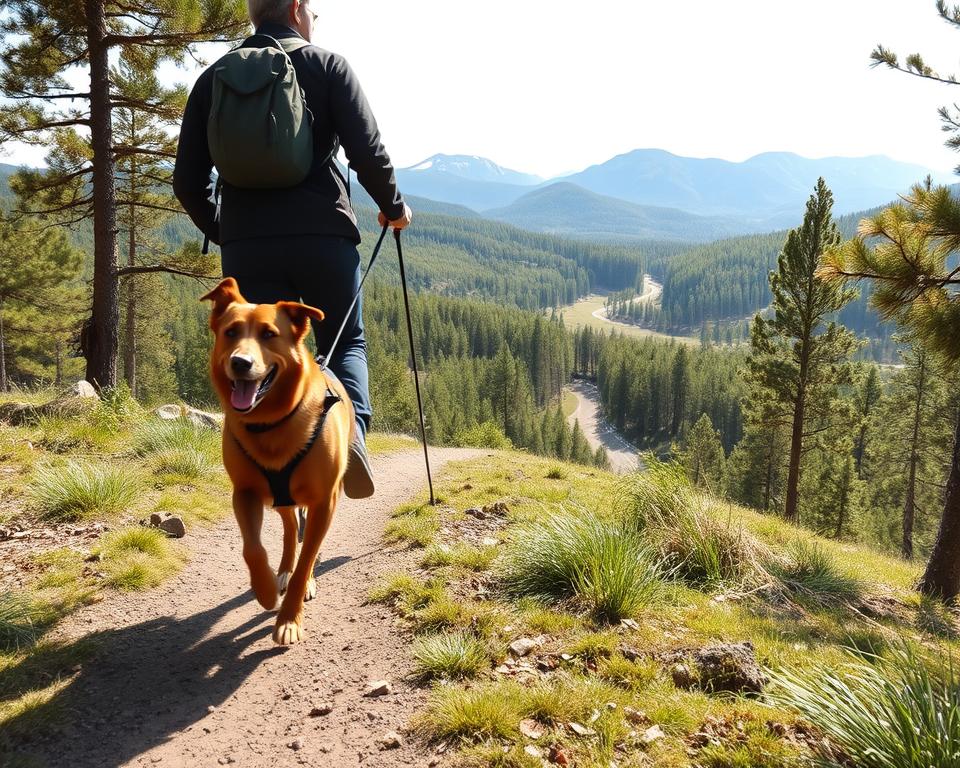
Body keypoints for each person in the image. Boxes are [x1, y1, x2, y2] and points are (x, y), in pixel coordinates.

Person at [173, 0, 412, 499]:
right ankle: (353, 441)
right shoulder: (328, 65)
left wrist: (227, 230)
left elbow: (187, 182)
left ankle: (279, 481)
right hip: (324, 232)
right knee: (345, 345)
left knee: (260, 360)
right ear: (298, 9)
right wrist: (393, 207)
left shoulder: (214, 77)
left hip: (247, 242)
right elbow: (366, 149)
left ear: (255, 14)